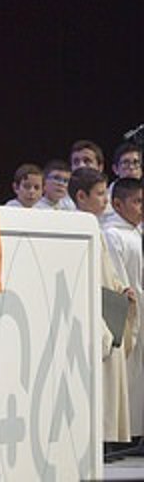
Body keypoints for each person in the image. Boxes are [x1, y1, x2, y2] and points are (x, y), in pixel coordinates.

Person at [69, 167, 136, 446]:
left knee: (112, 376)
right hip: (94, 309)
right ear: (81, 196)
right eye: (99, 194)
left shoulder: (94, 226)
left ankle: (108, 438)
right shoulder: (76, 228)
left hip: (109, 304)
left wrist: (122, 287)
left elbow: (106, 268)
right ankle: (97, 438)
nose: (104, 200)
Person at [102, 176, 144, 440]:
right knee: (129, 373)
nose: (142, 207)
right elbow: (116, 276)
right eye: (137, 202)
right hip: (129, 310)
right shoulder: (113, 234)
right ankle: (125, 435)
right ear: (117, 204)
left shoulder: (136, 232)